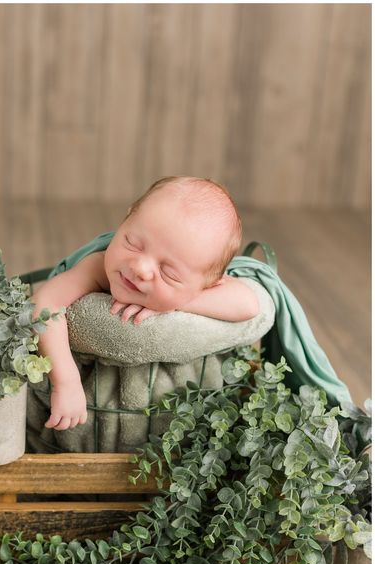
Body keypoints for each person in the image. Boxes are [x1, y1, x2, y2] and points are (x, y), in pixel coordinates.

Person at [32, 176, 260, 431]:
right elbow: (45, 303)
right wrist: (66, 381)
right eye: (133, 243)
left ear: (208, 285)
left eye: (169, 274)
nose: (140, 268)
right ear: (126, 220)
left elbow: (249, 305)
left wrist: (176, 301)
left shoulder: (198, 287)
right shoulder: (97, 266)